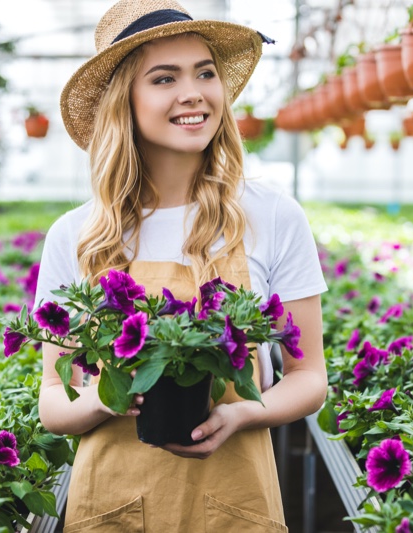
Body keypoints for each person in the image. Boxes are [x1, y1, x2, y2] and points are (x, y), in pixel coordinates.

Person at [34, 0, 328, 530]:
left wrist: (241, 414)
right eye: (165, 78)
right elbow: (53, 402)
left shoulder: (272, 215)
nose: (193, 92)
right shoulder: (76, 236)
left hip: (234, 506)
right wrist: (110, 398)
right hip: (112, 506)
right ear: (125, 100)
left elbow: (309, 377)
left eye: (205, 72)